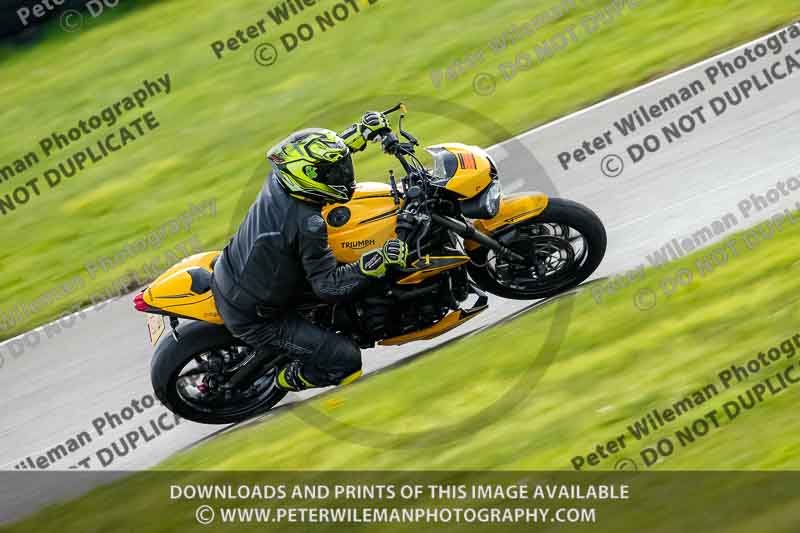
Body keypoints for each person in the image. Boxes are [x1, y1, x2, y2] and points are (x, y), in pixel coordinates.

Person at [211, 111, 408, 393]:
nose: (344, 176)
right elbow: (327, 286)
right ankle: (283, 379)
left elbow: (314, 162)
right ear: (310, 177)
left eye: (342, 168)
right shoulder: (308, 224)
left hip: (235, 272)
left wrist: (358, 134)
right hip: (257, 317)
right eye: (336, 172)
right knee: (347, 362)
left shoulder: (281, 178)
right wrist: (377, 260)